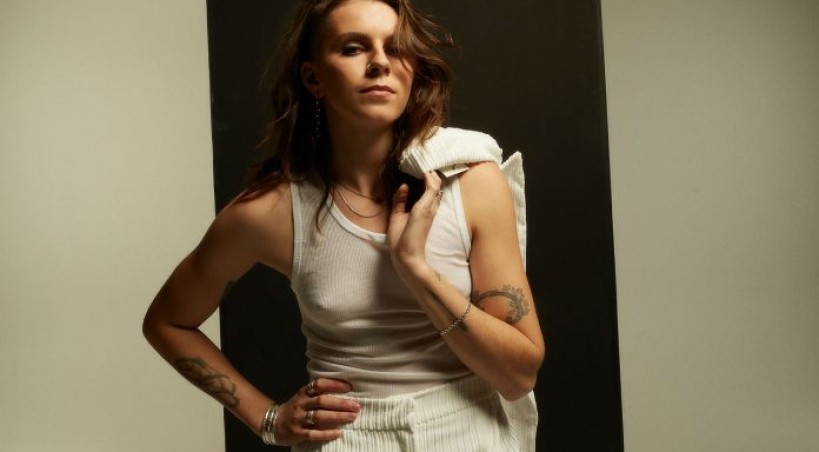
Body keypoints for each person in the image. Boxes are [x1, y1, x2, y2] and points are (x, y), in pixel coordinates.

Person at [142, 0, 545, 450]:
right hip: (346, 437)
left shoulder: (470, 182)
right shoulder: (273, 211)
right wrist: (268, 419)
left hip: (469, 429)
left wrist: (416, 270)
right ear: (314, 78)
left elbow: (518, 376)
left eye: (395, 48)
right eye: (354, 48)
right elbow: (168, 322)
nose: (379, 63)